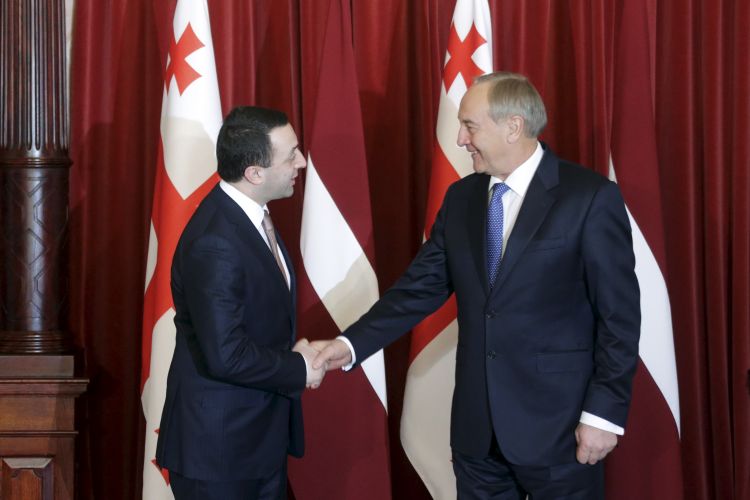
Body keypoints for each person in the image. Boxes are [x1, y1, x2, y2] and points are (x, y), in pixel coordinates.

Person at [313, 72, 640, 499]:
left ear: (513, 126)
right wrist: (350, 344)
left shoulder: (589, 198)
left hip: (560, 429)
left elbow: (619, 317)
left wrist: (603, 414)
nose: (461, 139)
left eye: (470, 126)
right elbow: (418, 289)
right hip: (477, 432)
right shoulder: (461, 198)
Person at [156, 106, 322, 500]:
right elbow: (226, 354)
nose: (301, 162)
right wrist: (298, 367)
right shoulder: (216, 241)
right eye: (291, 155)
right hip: (218, 456)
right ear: (254, 173)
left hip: (256, 445)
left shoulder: (248, 217)